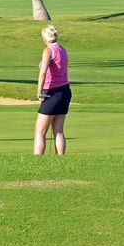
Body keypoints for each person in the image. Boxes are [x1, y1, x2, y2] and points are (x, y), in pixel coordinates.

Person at [34, 25, 70, 155]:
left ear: (44, 38)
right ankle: (60, 160)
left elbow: (42, 73)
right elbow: (44, 65)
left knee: (40, 131)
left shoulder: (48, 51)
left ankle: (38, 161)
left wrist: (40, 92)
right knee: (58, 130)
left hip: (52, 92)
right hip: (65, 91)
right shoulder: (62, 50)